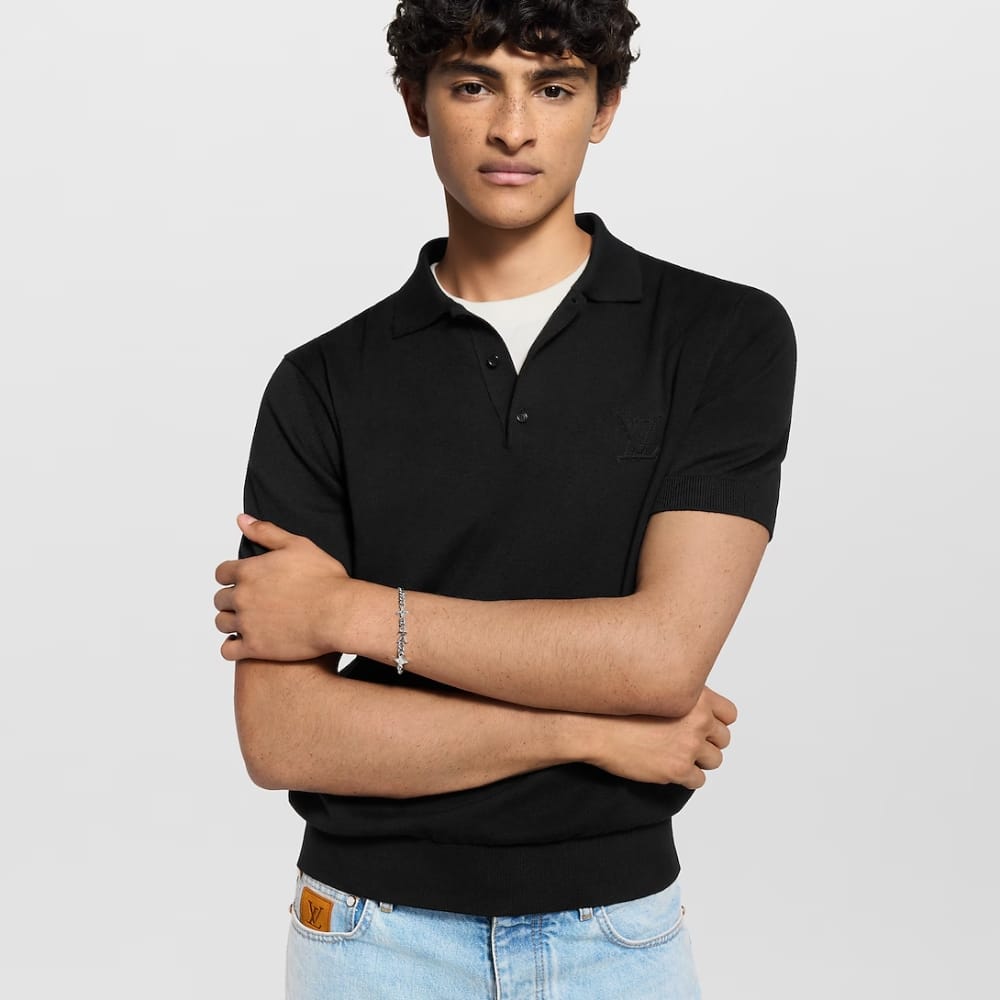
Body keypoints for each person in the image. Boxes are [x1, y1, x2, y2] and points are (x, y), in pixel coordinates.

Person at [213, 2, 796, 996]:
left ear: (604, 108)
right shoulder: (323, 381)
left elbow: (661, 661)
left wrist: (346, 610)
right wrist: (588, 732)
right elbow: (282, 736)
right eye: (474, 84)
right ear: (417, 103)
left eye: (554, 88)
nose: (513, 128)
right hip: (367, 935)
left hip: (614, 936)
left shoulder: (720, 337)